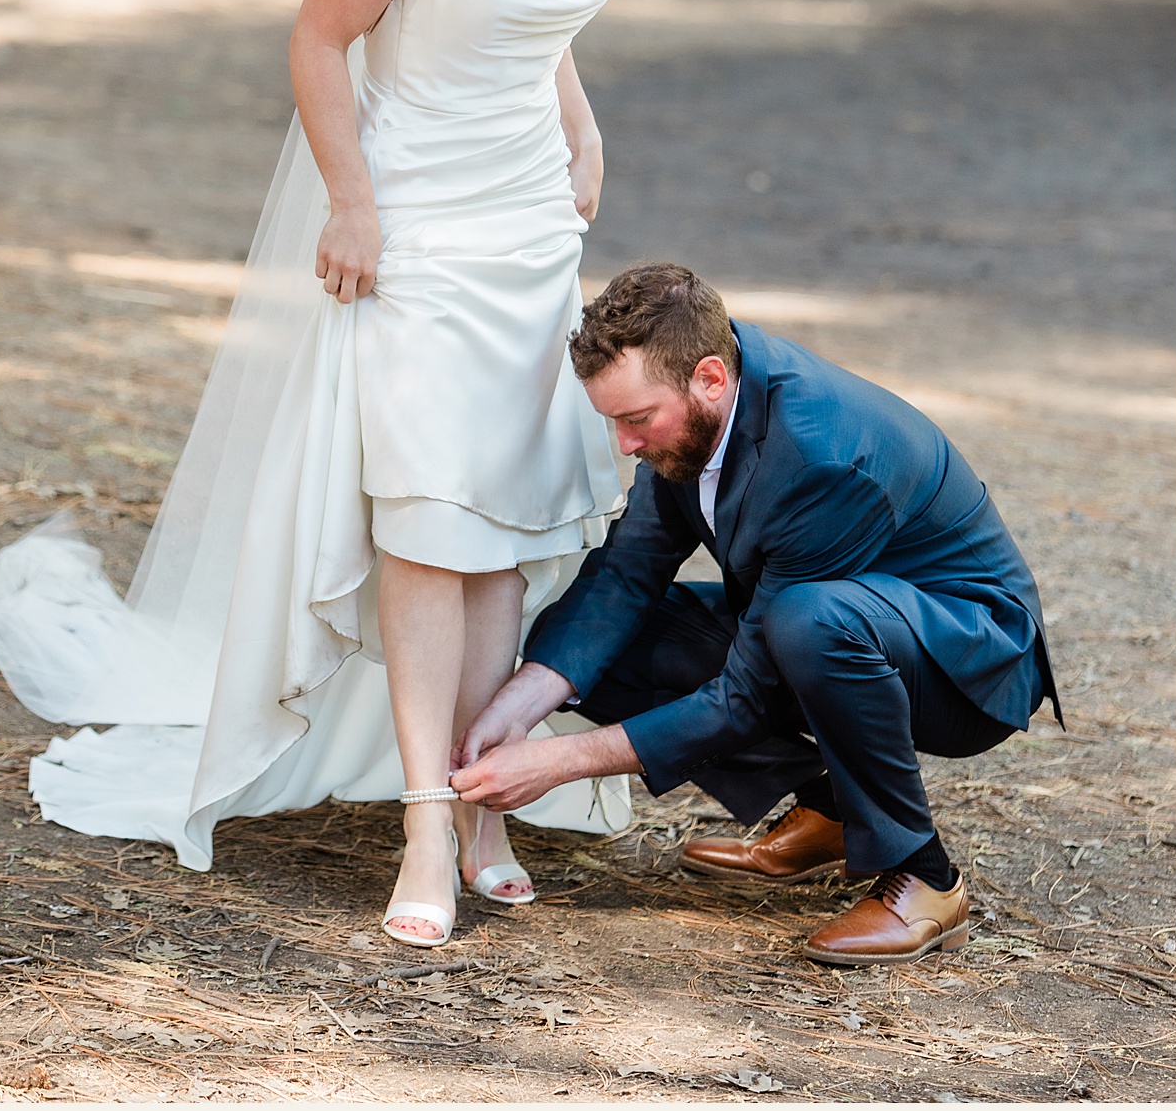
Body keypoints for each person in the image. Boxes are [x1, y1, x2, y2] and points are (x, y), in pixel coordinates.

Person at [0, 0, 664, 949]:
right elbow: (322, 35)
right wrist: (353, 202)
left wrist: (584, 122)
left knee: (499, 523)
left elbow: (535, 17)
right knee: (426, 520)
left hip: (526, 226)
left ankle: (489, 796)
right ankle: (427, 822)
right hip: (423, 226)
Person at [450, 263, 1063, 967]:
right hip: (836, 623)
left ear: (709, 377)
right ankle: (834, 811)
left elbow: (749, 690)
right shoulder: (697, 410)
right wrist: (521, 706)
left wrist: (559, 761)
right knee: (600, 647)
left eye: (636, 420)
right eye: (613, 421)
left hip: (967, 661)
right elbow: (626, 573)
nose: (625, 445)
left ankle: (926, 878)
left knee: (810, 622)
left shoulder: (820, 457)